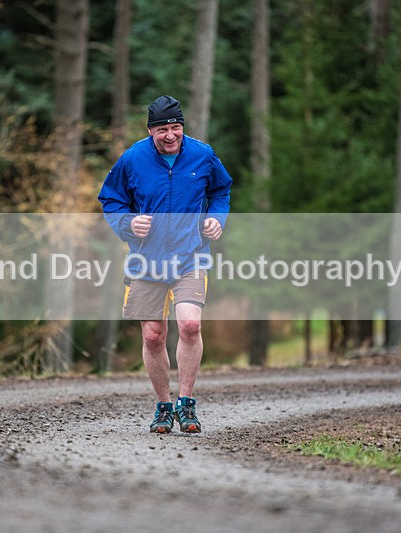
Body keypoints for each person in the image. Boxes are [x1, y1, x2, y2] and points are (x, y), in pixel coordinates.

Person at [98, 95, 232, 434]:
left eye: (175, 128)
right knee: (153, 335)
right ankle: (163, 406)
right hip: (147, 260)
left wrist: (216, 219)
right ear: (150, 131)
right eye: (162, 130)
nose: (170, 135)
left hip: (191, 255)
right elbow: (110, 200)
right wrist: (128, 222)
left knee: (190, 325)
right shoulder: (132, 159)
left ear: (182, 127)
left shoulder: (202, 154)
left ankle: (186, 403)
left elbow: (221, 191)